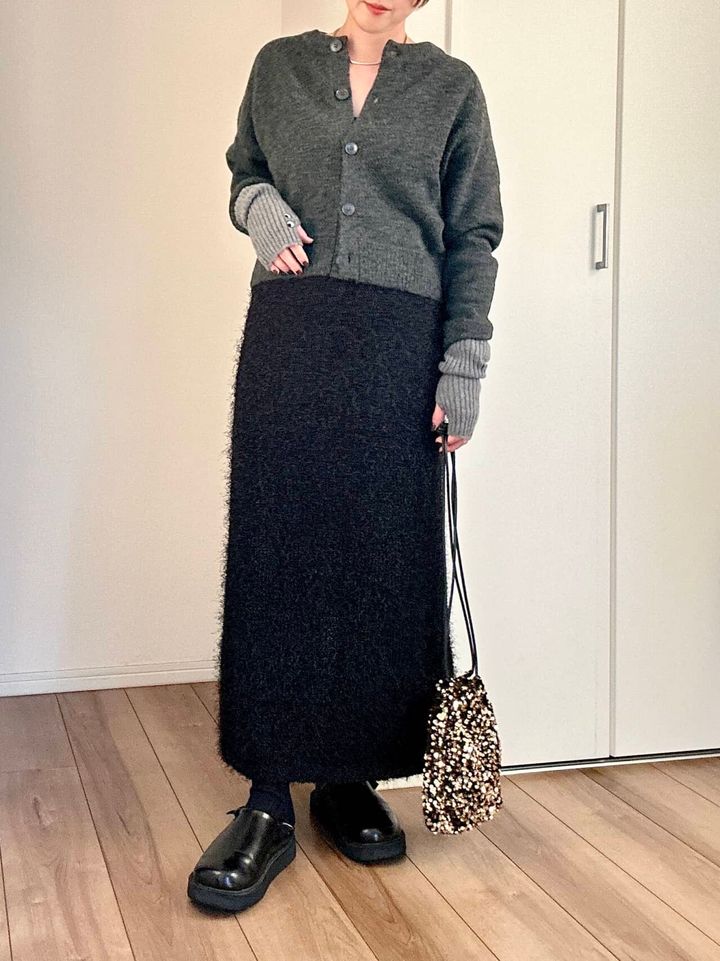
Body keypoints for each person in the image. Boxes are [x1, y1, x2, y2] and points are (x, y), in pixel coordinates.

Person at [187, 0, 503, 913]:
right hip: (292, 334)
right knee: (278, 551)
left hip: (399, 347)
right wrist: (258, 206)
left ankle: (347, 777)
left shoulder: (451, 88)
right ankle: (267, 798)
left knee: (380, 563)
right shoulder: (279, 66)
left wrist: (464, 362)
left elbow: (473, 233)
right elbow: (243, 169)